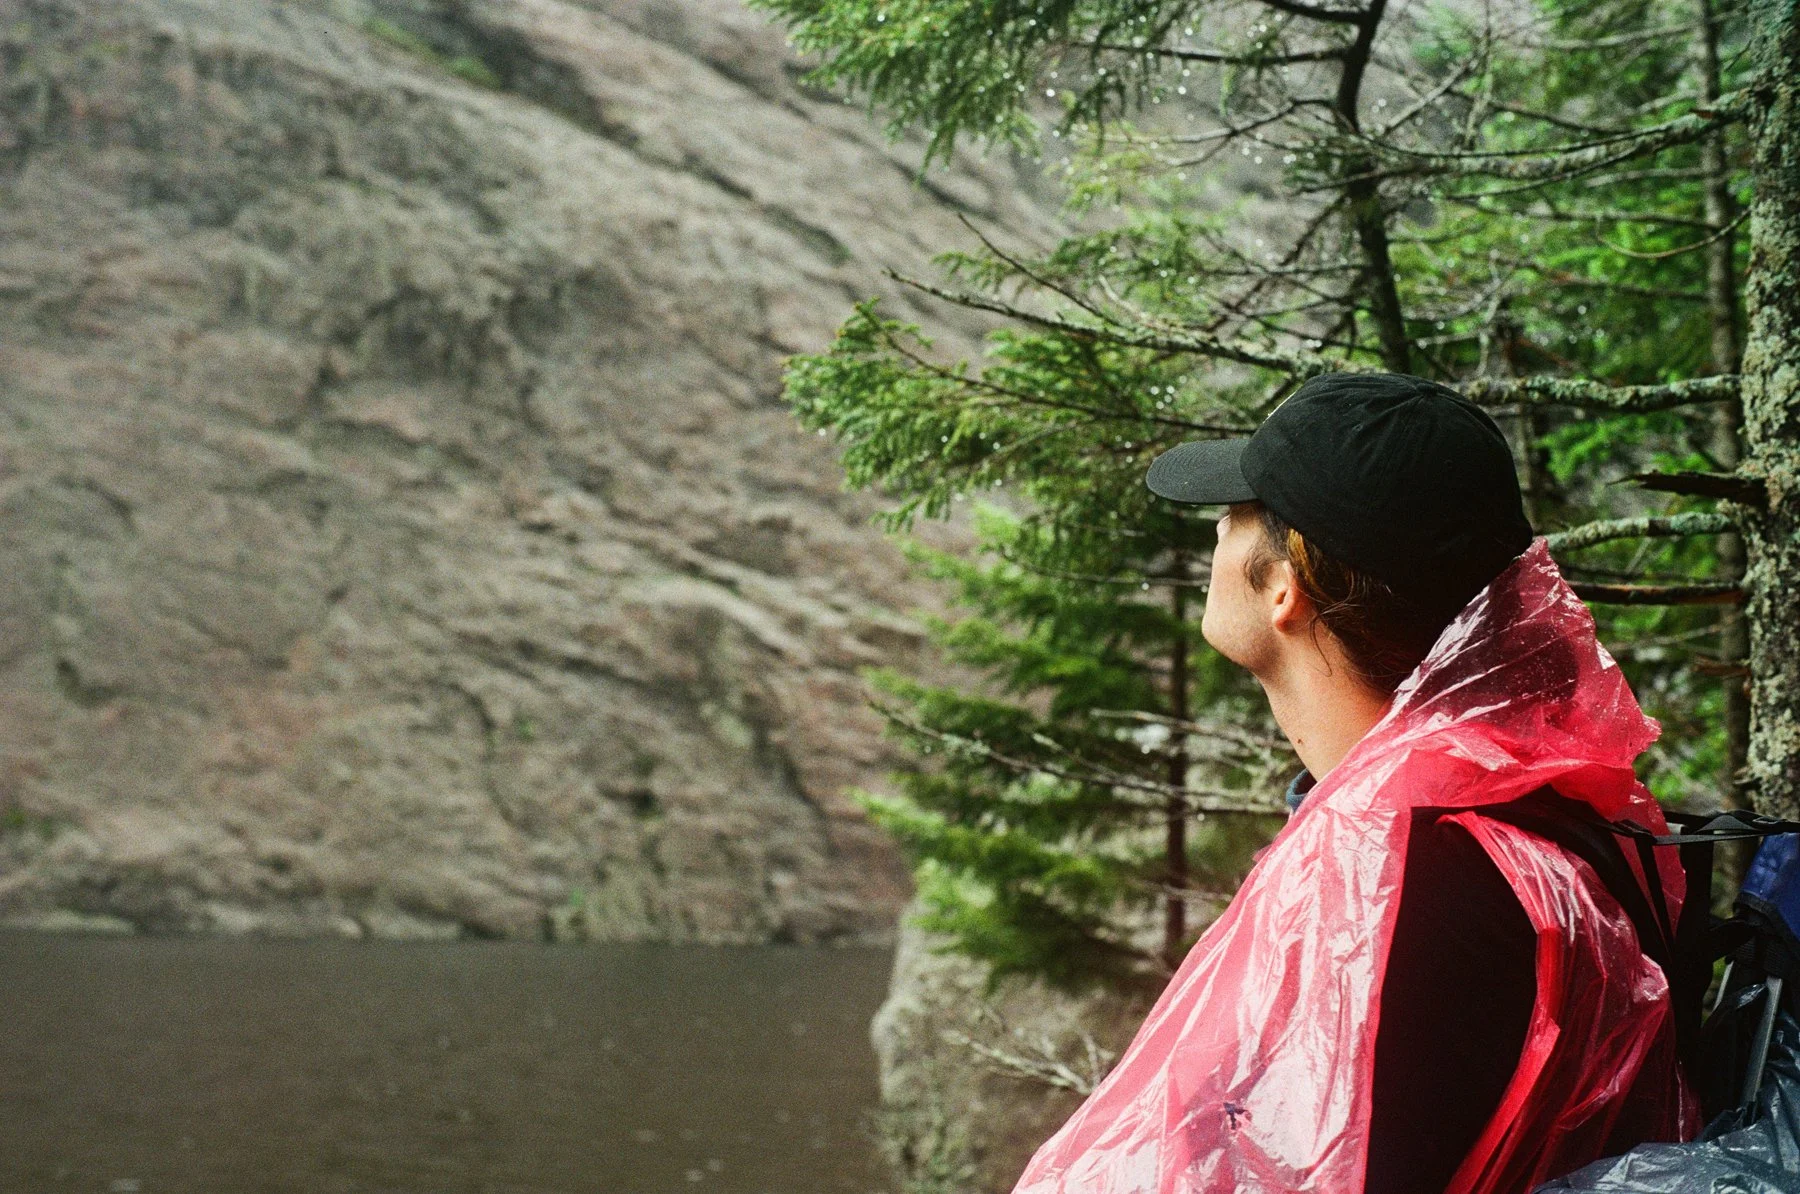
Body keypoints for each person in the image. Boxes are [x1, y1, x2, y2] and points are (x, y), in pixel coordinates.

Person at [1010, 373, 1697, 1194]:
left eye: (1236, 516)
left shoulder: (1410, 877)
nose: (1216, 536)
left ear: (1281, 591)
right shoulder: (1518, 800)